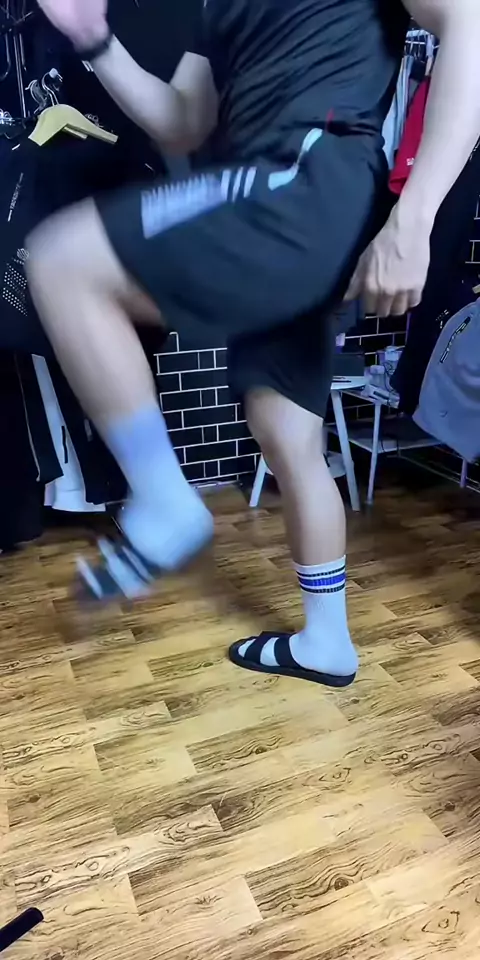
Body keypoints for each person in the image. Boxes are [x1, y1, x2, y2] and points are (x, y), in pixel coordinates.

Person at [28, 0, 480, 686]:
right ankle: (327, 642)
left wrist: (415, 218)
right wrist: (95, 41)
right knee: (286, 433)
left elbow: (468, 20)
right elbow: (183, 119)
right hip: (292, 201)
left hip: (302, 178)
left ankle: (162, 497)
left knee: (63, 260)